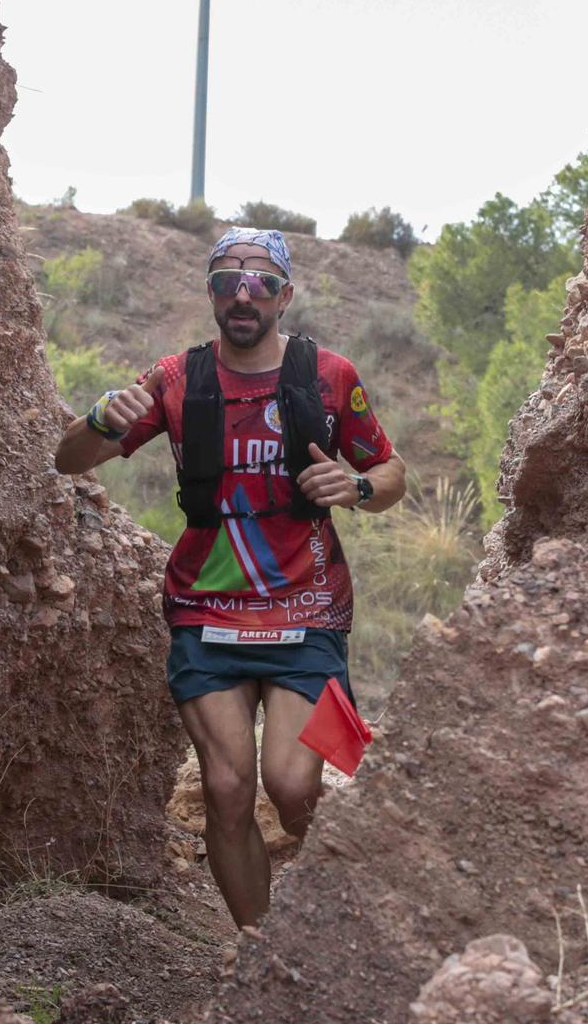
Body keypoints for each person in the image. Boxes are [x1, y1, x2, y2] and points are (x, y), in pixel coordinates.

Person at [53, 226, 406, 926]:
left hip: (306, 606)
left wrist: (358, 487)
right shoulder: (178, 379)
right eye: (226, 282)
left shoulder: (329, 375)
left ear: (285, 295)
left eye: (260, 283)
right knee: (226, 784)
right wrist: (96, 418)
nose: (243, 296)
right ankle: (258, 949)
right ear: (212, 293)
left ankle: (348, 922)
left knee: (294, 781)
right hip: (206, 607)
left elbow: (390, 471)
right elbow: (70, 458)